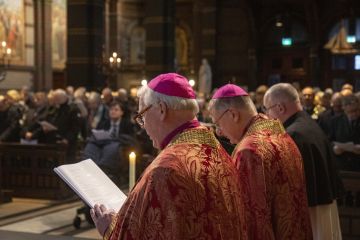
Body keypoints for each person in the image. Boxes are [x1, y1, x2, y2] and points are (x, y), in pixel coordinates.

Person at [90, 73, 246, 240]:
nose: (143, 126)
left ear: (162, 109)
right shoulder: (216, 150)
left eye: (142, 116)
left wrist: (110, 230)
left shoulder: (165, 170)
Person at [208, 84, 312, 240]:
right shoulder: (280, 133)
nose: (219, 131)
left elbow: (253, 219)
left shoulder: (248, 151)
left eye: (218, 123)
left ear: (233, 114)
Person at [263, 83, 342, 240]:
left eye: (267, 109)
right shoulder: (308, 123)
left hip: (310, 210)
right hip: (323, 202)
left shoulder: (293, 134)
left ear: (280, 108)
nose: (267, 115)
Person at [83, 100, 136, 185]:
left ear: (121, 112)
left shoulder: (127, 124)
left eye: (116, 110)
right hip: (102, 144)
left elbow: (131, 139)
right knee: (91, 145)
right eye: (111, 110)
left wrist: (116, 138)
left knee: (112, 147)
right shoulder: (104, 122)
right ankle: (91, 166)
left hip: (118, 145)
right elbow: (97, 133)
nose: (113, 112)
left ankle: (104, 169)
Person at [329, 94, 360, 171]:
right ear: (344, 109)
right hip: (341, 165)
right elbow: (328, 140)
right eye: (351, 111)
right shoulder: (335, 121)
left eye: (357, 110)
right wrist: (333, 148)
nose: (354, 114)